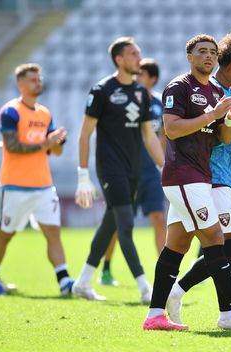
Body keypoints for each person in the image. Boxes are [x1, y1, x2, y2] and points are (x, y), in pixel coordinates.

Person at [143, 34, 231, 331]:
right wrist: (215, 114)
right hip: (183, 175)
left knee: (176, 246)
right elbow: (172, 130)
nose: (209, 57)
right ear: (189, 56)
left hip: (200, 175)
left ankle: (154, 315)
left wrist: (230, 121)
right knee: (216, 239)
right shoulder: (180, 86)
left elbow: (222, 138)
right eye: (202, 52)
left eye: (213, 52)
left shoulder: (216, 90)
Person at [72, 37, 164, 303]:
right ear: (119, 60)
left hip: (133, 169)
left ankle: (82, 282)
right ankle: (146, 287)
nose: (139, 57)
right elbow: (85, 134)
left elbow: (149, 136)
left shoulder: (139, 93)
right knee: (126, 225)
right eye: (134, 54)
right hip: (110, 169)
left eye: (139, 53)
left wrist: (164, 167)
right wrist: (82, 175)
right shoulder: (102, 90)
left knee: (109, 224)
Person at [0, 63, 73, 296]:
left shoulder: (45, 113)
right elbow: (12, 146)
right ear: (20, 84)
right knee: (5, 235)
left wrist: (57, 142)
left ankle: (64, 279)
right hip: (15, 185)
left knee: (53, 232)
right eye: (33, 79)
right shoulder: (10, 111)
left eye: (39, 79)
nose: (38, 82)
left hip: (43, 185)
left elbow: (54, 151)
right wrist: (45, 143)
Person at [98, 58, 166, 287]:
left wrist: (163, 164)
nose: (137, 78)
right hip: (128, 170)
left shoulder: (159, 104)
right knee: (120, 224)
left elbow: (161, 137)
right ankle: (106, 268)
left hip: (151, 173)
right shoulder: (125, 101)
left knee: (159, 219)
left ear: (152, 78)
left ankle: (164, 270)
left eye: (142, 75)